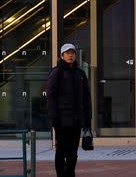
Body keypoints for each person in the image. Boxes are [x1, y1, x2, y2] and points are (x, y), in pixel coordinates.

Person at [45, 43, 91, 177]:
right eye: (67, 53)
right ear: (62, 55)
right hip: (61, 120)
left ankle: (70, 173)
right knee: (61, 150)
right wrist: (54, 117)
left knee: (73, 152)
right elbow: (50, 95)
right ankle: (60, 175)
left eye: (72, 53)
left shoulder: (80, 73)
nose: (70, 55)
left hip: (76, 120)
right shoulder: (57, 72)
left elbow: (86, 98)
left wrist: (87, 119)